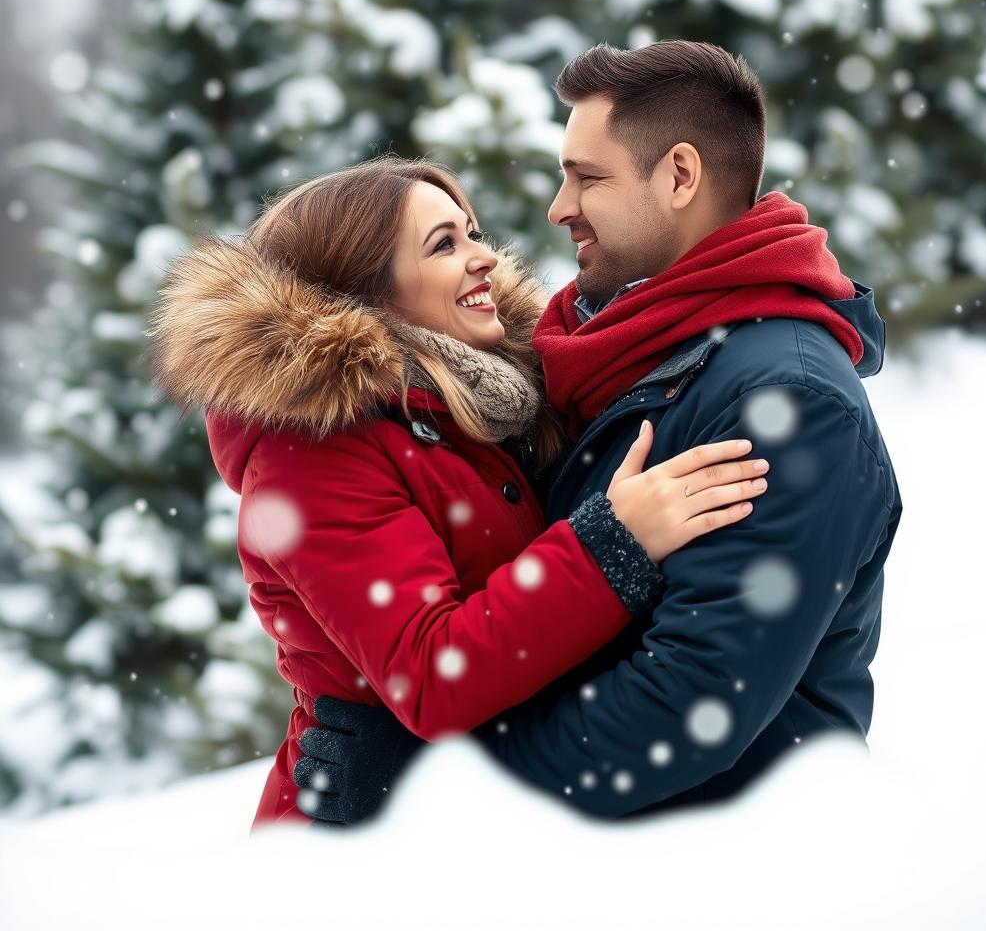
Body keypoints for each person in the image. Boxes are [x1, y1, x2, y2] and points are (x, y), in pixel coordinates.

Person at [296, 39, 903, 822]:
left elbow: (681, 711)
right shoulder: (622, 355)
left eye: (587, 177)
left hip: (724, 871)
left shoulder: (786, 401)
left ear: (680, 175)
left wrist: (431, 785)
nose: (559, 207)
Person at [149, 155, 771, 828]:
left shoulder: (481, 403)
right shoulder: (317, 452)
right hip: (356, 853)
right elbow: (432, 675)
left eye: (472, 233)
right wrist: (612, 544)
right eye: (444, 245)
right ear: (367, 292)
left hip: (452, 822)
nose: (484, 259)